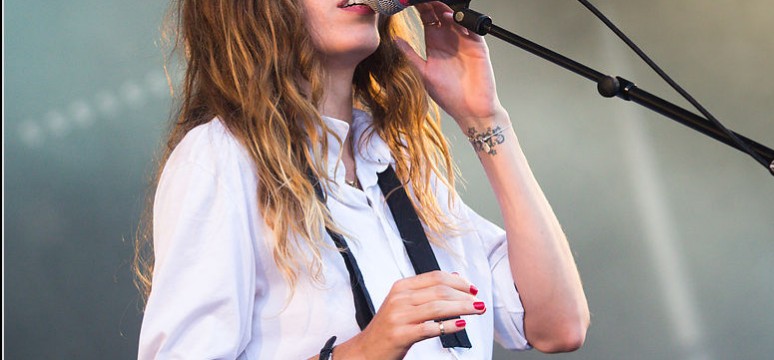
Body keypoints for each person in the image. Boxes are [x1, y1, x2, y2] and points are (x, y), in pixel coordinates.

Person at [134, 0, 590, 358]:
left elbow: (557, 326)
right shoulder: (221, 158)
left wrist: (485, 120)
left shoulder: (398, 161)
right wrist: (364, 352)